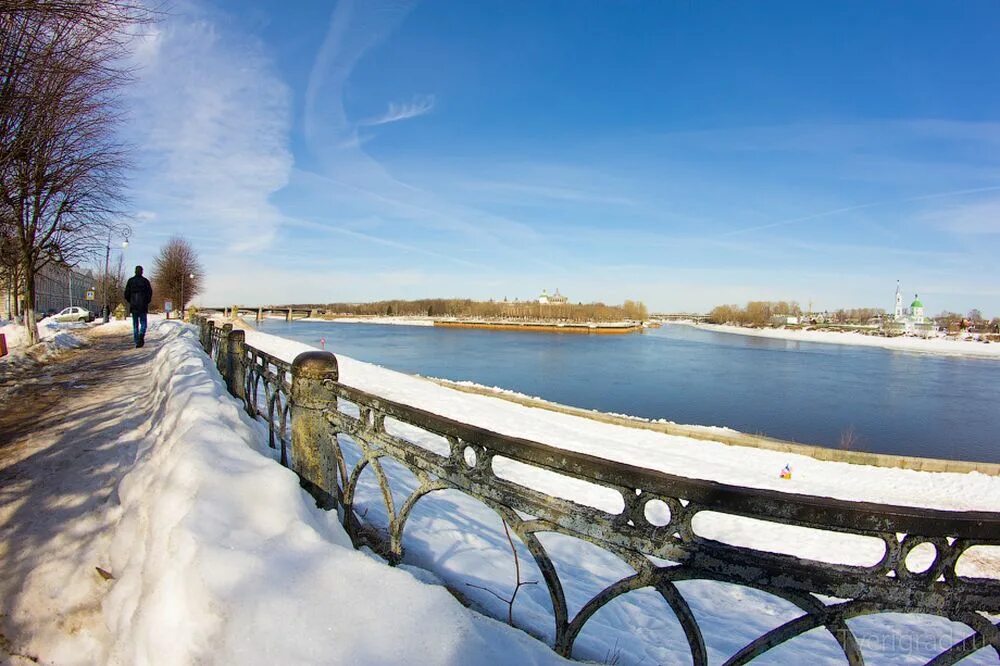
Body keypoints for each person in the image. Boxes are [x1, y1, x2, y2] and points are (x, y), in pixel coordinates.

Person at [123, 265, 153, 347]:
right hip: (143, 306)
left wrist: (131, 301)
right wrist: (146, 301)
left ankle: (137, 341)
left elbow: (126, 294)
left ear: (135, 271)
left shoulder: (130, 281)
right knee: (143, 324)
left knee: (135, 324)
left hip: (134, 306)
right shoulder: (145, 281)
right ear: (142, 271)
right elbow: (150, 293)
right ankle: (141, 336)